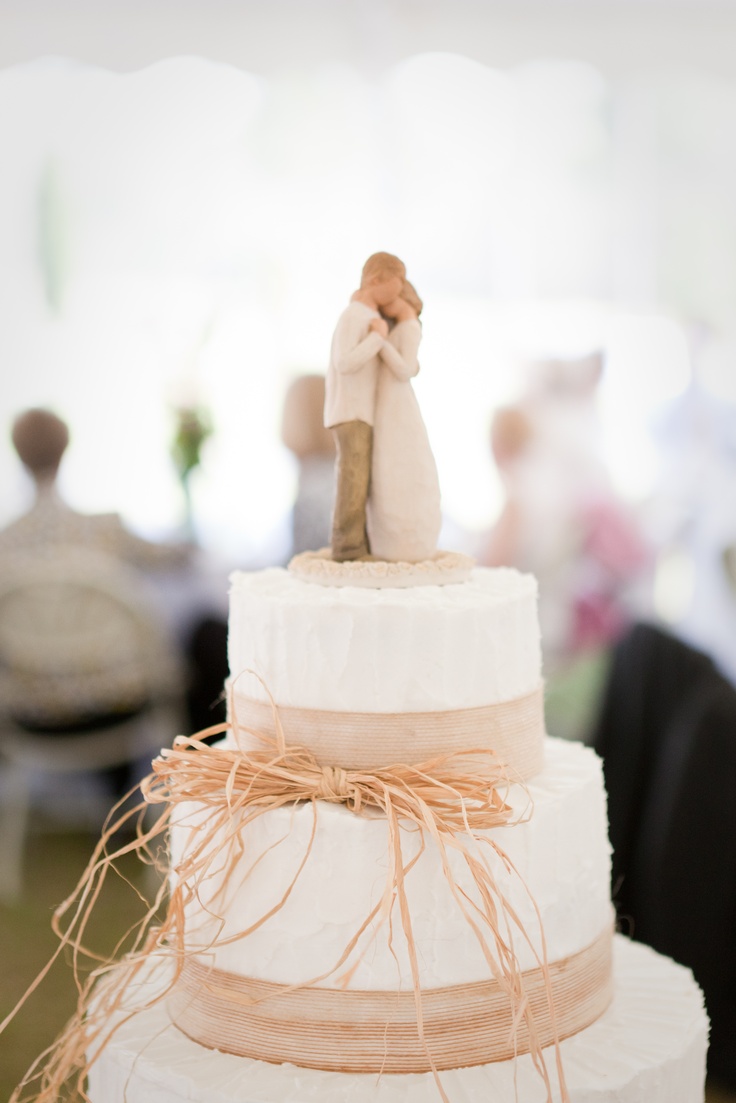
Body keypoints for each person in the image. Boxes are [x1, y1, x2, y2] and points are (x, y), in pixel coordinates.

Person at [1, 407, 190, 569]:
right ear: (64, 449)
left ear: (20, 455)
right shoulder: (108, 530)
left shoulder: (5, 542)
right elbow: (168, 558)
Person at [324, 252, 406, 561]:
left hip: (361, 410)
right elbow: (345, 362)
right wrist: (377, 338)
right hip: (351, 410)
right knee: (353, 477)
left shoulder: (363, 315)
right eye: (394, 288)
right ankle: (347, 547)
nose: (396, 296)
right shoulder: (355, 316)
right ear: (376, 281)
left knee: (361, 478)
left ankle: (359, 542)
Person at [366, 280, 441, 562]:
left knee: (398, 460)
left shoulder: (409, 329)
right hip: (388, 397)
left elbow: (406, 368)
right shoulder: (404, 328)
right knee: (387, 464)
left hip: (397, 400)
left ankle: (406, 535)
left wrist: (381, 342)